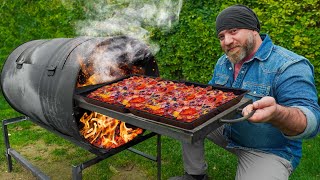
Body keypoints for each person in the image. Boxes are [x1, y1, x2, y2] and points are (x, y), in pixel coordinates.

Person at [169, 4, 320, 180]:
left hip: (268, 149)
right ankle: (195, 175)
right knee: (186, 118)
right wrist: (187, 99)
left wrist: (277, 113)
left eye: (233, 31)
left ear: (253, 30)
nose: (227, 41)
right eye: (221, 36)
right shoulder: (224, 62)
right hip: (226, 128)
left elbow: (312, 122)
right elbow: (210, 97)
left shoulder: (288, 65)